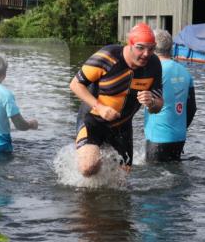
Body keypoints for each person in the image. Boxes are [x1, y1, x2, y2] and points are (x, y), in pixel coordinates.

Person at [70, 23, 163, 177]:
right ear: (130, 44)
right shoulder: (107, 56)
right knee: (88, 167)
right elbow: (75, 84)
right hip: (93, 121)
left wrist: (152, 101)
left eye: (151, 48)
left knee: (121, 182)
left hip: (122, 127)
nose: (146, 53)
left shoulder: (154, 64)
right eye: (140, 47)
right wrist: (99, 107)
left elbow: (159, 105)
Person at [144, 29, 197, 162]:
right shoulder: (185, 72)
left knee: (155, 179)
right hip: (179, 137)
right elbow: (192, 108)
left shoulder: (153, 71)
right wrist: (179, 128)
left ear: (153, 47)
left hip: (157, 137)